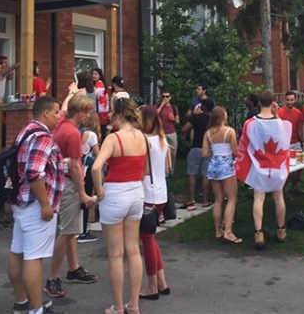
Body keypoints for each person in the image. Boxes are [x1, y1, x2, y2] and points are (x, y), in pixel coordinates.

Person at [7, 96, 63, 314]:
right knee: (33, 257)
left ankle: (21, 302)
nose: (60, 116)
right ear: (46, 113)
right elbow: (34, 172)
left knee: (17, 251)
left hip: (21, 201)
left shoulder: (25, 132)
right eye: (57, 112)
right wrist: (45, 205)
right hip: (35, 205)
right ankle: (36, 309)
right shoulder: (43, 137)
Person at [92, 98, 148, 314]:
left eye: (112, 113)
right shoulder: (142, 136)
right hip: (136, 192)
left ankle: (117, 306)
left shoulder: (113, 139)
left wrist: (99, 192)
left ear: (119, 114)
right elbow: (145, 170)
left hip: (115, 192)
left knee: (115, 254)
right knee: (133, 251)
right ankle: (133, 304)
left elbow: (96, 168)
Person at [45, 95, 98, 299]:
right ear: (78, 112)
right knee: (67, 232)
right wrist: (82, 192)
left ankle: (74, 268)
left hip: (59, 180)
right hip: (69, 185)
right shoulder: (73, 133)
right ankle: (52, 277)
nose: (88, 116)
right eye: (86, 112)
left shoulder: (60, 124)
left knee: (71, 228)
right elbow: (75, 166)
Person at [236, 91, 292, 250]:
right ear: (273, 102)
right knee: (278, 198)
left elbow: (244, 145)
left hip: (259, 167)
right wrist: (276, 114)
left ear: (259, 103)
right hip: (277, 168)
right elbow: (285, 145)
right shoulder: (282, 124)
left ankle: (258, 233)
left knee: (258, 199)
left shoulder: (250, 124)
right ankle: (281, 230)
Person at [138, 105, 172, 301]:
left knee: (147, 240)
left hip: (146, 192)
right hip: (161, 192)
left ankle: (152, 286)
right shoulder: (162, 140)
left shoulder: (145, 141)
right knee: (151, 238)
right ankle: (161, 281)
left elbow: (143, 170)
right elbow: (167, 168)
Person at [202, 106, 241, 244]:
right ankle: (228, 232)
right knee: (231, 198)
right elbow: (236, 152)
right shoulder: (229, 131)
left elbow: (204, 153)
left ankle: (218, 230)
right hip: (226, 165)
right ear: (223, 117)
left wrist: (215, 152)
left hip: (213, 165)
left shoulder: (208, 133)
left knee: (218, 199)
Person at [179, 97, 215, 210]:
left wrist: (182, 132)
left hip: (196, 147)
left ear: (203, 107)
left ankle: (192, 199)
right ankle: (205, 200)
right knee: (205, 174)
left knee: (191, 173)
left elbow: (184, 129)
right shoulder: (213, 121)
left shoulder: (197, 118)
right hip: (209, 149)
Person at [77, 110, 101, 244]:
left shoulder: (78, 132)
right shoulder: (92, 135)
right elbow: (98, 154)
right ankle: (83, 231)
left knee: (77, 199)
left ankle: (75, 230)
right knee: (86, 200)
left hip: (77, 170)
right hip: (87, 171)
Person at [278, 91, 304, 196]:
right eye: (288, 100)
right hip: (284, 144)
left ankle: (295, 186)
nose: (290, 102)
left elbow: (300, 128)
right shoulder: (280, 112)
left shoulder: (298, 113)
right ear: (285, 100)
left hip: (296, 142)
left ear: (295, 100)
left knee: (300, 165)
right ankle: (283, 190)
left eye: (292, 100)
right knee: (285, 168)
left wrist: (302, 141)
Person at [157, 90, 179, 175]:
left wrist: (173, 119)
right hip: (161, 133)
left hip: (172, 132)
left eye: (167, 96)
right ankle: (163, 171)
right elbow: (154, 115)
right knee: (162, 153)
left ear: (170, 97)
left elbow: (177, 121)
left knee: (173, 152)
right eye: (163, 96)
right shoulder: (158, 106)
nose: (165, 98)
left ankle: (171, 170)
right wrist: (162, 105)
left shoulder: (174, 108)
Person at [92, 68, 110, 139]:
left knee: (101, 130)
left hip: (101, 111)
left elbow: (94, 93)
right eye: (93, 74)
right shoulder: (101, 84)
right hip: (104, 110)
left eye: (95, 74)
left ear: (100, 76)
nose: (93, 75)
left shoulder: (99, 84)